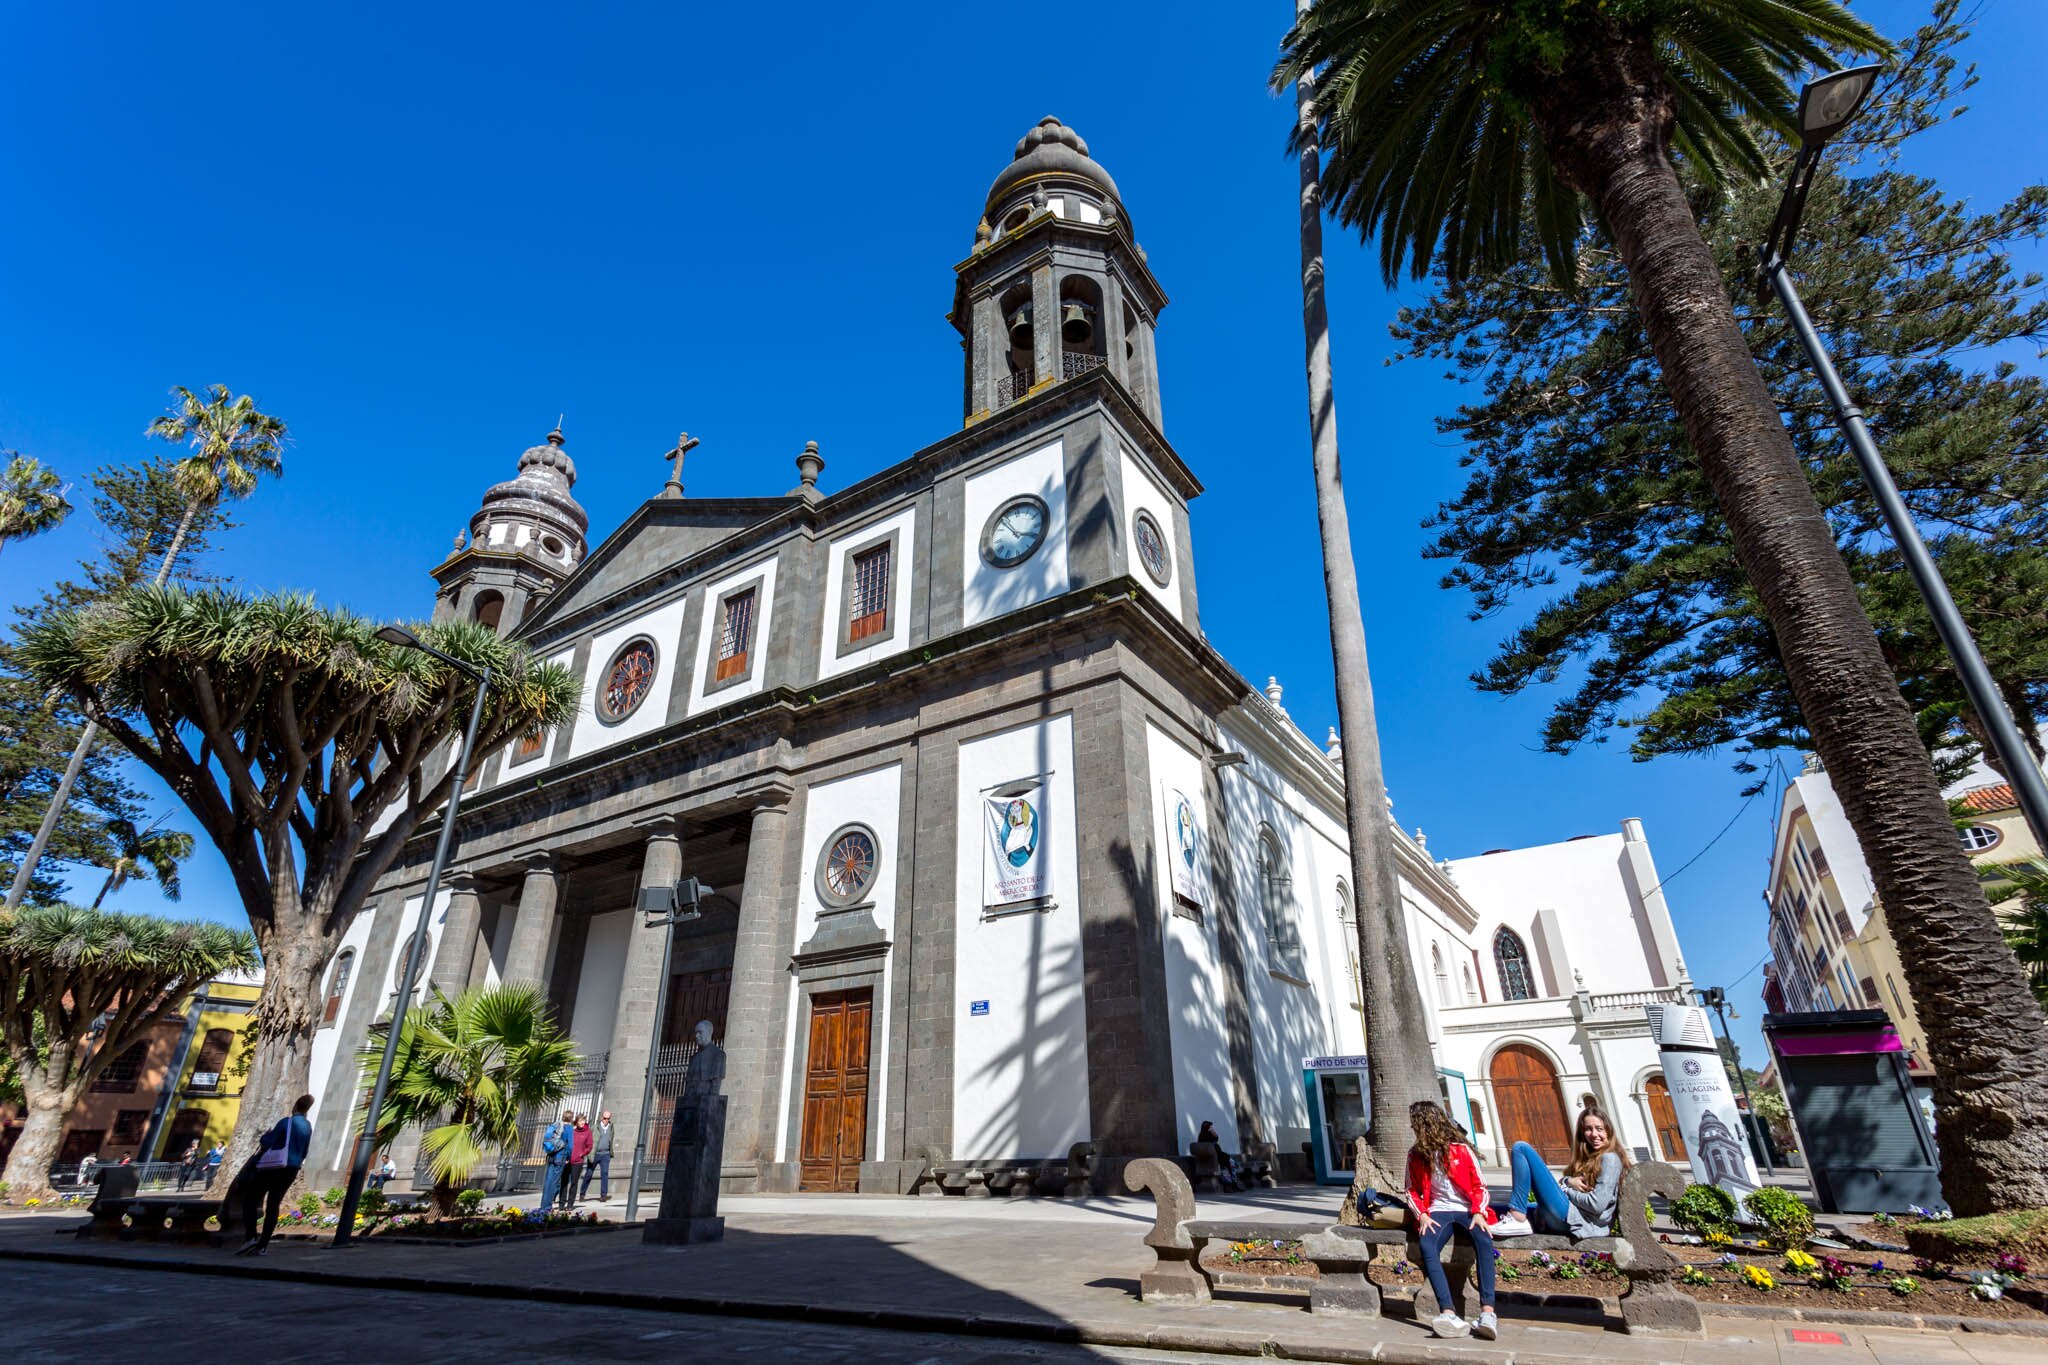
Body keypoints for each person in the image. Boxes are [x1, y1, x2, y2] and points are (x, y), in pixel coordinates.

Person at [1403, 1100, 1499, 1341]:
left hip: (1468, 1209)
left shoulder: (1461, 1150)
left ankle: (1488, 1313)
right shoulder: (1415, 1155)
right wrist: (1422, 1214)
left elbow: (1480, 1186)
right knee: (1427, 1245)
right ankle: (1448, 1312)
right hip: (1438, 1210)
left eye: (1416, 1124)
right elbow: (1410, 1190)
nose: (1414, 1129)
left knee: (1484, 1242)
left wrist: (1479, 1212)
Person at [1493, 1107, 1630, 1240]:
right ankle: (1510, 1217)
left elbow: (1596, 1204)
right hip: (1572, 1217)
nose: (1594, 1134)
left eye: (1599, 1128)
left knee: (1521, 1148)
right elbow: (1573, 1185)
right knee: (1496, 1210)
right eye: (1588, 1129)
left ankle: (1517, 1218)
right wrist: (1567, 1181)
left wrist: (1565, 1190)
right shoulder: (1589, 1157)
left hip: (1580, 1223)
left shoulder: (1610, 1159)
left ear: (1608, 1131)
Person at [237, 1093, 315, 1257]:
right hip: (291, 1169)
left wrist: (267, 1134)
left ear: (295, 1106)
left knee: (251, 1200)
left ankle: (251, 1237)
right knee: (274, 1204)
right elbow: (305, 1151)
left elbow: (267, 1142)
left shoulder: (286, 1122)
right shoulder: (307, 1127)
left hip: (272, 1167)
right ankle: (263, 1245)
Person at [538, 1108, 574, 1214]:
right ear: (571, 1118)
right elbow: (571, 1145)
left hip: (551, 1155)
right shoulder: (569, 1128)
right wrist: (568, 1157)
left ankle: (544, 1205)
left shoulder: (557, 1124)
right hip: (561, 1156)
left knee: (548, 1181)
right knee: (554, 1182)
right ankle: (547, 1207)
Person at [580, 1111, 614, 1204]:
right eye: (604, 1118)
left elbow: (611, 1138)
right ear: (601, 1118)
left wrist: (610, 1151)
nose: (606, 1120)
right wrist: (588, 1151)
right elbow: (588, 1139)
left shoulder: (611, 1127)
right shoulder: (595, 1127)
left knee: (605, 1174)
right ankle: (582, 1193)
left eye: (608, 1118)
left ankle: (603, 1195)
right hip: (595, 1154)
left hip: (605, 1154)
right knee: (589, 1173)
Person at [564, 1114, 593, 1210]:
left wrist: (582, 1154)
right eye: (580, 1120)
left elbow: (589, 1146)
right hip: (568, 1160)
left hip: (578, 1161)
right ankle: (561, 1203)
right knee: (564, 1182)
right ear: (576, 1121)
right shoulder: (572, 1131)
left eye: (583, 1120)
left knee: (574, 1183)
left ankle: (570, 1204)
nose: (582, 1122)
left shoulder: (587, 1132)